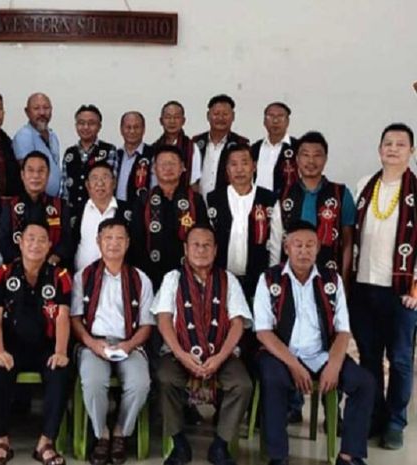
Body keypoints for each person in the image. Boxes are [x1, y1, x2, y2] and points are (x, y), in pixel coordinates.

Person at [254, 221, 374, 465]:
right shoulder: (269, 279)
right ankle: (278, 456)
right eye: (297, 245)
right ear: (287, 248)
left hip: (321, 355)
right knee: (273, 378)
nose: (304, 251)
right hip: (281, 355)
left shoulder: (332, 280)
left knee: (364, 383)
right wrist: (293, 364)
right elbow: (263, 332)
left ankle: (349, 456)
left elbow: (343, 330)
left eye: (310, 245)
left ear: (318, 248)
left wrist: (334, 365)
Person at [151, 224, 253, 465]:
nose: (201, 250)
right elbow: (163, 320)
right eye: (195, 245)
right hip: (179, 353)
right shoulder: (172, 279)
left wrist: (219, 358)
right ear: (186, 249)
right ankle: (178, 443)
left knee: (242, 384)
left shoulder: (228, 279)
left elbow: (238, 323)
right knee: (165, 378)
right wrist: (181, 354)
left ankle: (221, 445)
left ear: (216, 250)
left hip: (221, 354)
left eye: (207, 245)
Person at [350, 123, 417, 449]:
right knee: (369, 357)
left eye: (400, 144)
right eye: (388, 143)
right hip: (364, 286)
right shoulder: (365, 185)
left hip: (402, 291)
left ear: (411, 151)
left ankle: (395, 421)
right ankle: (374, 415)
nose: (393, 149)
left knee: (401, 360)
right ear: (379, 149)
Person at [0, 220, 72, 465]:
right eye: (30, 239)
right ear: (20, 243)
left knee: (60, 372)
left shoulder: (60, 276)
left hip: (47, 346)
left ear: (49, 245)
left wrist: (61, 351)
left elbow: (63, 316)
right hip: (12, 346)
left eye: (42, 240)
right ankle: (1, 443)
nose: (36, 244)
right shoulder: (2, 274)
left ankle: (45, 443)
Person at [71, 218, 153, 465]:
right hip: (93, 343)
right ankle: (102, 434)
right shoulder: (83, 277)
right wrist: (92, 343)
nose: (114, 243)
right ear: (98, 242)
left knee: (140, 383)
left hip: (129, 343)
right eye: (108, 238)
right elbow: (75, 319)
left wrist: (128, 345)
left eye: (119, 238)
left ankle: (120, 432)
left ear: (128, 243)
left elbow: (147, 324)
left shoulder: (140, 279)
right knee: (93, 382)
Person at [206, 143, 283, 299]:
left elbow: (276, 240)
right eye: (233, 164)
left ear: (254, 166)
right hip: (220, 277)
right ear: (227, 169)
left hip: (258, 278)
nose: (239, 169)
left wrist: (272, 275)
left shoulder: (268, 199)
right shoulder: (213, 198)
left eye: (244, 163)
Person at [279, 131, 354, 283]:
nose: (311, 161)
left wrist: (345, 282)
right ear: (297, 159)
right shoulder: (283, 194)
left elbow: (348, 243)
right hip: (290, 277)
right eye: (305, 155)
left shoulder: (340, 194)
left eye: (317, 155)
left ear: (325, 159)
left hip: (330, 275)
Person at [130, 145, 207, 289]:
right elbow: (136, 241)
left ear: (182, 167)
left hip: (189, 275)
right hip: (151, 275)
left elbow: (204, 236)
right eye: (163, 164)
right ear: (154, 169)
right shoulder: (143, 201)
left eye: (172, 163)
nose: (167, 168)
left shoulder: (195, 200)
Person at [0, 151, 71, 267]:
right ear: (22, 175)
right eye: (30, 170)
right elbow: (4, 240)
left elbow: (67, 240)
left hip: (53, 267)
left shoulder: (60, 205)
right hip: (17, 268)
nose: (36, 176)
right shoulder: (10, 205)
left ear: (48, 175)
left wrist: (52, 260)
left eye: (41, 171)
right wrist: (24, 265)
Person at [71, 161, 130, 273]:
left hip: (118, 279)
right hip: (80, 278)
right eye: (94, 178)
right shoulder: (75, 211)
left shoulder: (128, 211)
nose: (100, 183)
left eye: (105, 177)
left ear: (114, 183)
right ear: (87, 185)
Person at [61, 104, 117, 212]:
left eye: (91, 123)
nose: (86, 127)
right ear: (76, 125)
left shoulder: (108, 150)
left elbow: (112, 185)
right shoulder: (69, 153)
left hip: (100, 211)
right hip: (72, 212)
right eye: (81, 123)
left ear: (99, 126)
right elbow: (64, 189)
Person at [193, 94, 249, 196]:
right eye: (216, 114)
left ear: (233, 116)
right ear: (208, 116)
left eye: (225, 114)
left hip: (229, 202)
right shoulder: (196, 143)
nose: (220, 118)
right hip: (197, 202)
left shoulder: (241, 144)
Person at [13, 93, 62, 197]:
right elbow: (29, 174)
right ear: (27, 112)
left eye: (46, 108)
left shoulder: (53, 136)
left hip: (53, 201)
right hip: (35, 200)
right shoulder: (24, 136)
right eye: (36, 108)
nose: (42, 113)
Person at [250, 102, 298, 196]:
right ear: (264, 121)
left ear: (287, 121)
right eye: (271, 116)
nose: (275, 121)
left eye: (280, 116)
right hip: (258, 202)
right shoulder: (254, 149)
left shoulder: (297, 147)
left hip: (287, 200)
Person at [150, 100, 202, 187]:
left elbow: (194, 182)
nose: (172, 121)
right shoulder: (154, 148)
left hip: (183, 194)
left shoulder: (191, 147)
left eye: (176, 117)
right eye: (168, 117)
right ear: (161, 121)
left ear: (183, 121)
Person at [114, 111, 155, 205]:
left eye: (136, 127)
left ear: (143, 129)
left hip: (142, 209)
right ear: (121, 130)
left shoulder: (152, 154)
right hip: (116, 209)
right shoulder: (115, 155)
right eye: (128, 127)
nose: (132, 131)